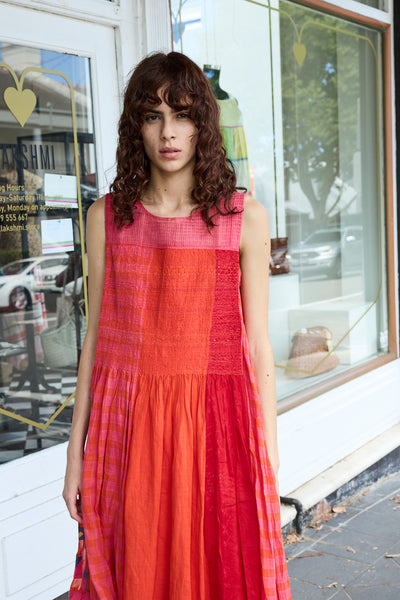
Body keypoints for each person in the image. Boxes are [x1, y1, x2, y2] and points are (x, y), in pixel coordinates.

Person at [63, 51, 291, 600]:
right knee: (135, 566)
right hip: (128, 421)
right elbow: (96, 338)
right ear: (135, 127)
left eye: (183, 114)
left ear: (202, 125)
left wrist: (269, 451)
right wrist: (75, 455)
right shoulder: (106, 217)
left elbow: (258, 343)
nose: (168, 132)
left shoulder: (242, 217)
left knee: (216, 573)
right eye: (152, 115)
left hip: (218, 419)